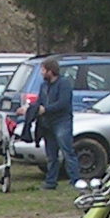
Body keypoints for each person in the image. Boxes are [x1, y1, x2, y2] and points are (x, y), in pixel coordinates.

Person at [37, 56, 77, 189]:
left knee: (67, 151)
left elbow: (63, 103)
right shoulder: (43, 86)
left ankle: (75, 180)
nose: (41, 73)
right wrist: (30, 109)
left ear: (50, 71)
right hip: (47, 124)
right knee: (51, 155)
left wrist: (46, 109)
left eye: (43, 70)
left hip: (62, 122)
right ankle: (51, 181)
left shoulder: (64, 84)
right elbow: (40, 101)